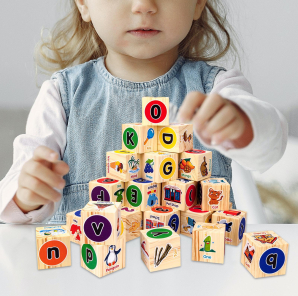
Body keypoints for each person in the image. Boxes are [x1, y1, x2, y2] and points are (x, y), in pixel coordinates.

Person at [0, 0, 287, 224]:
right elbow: (12, 199)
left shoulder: (218, 89)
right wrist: (27, 196)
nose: (144, 6)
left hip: (196, 279)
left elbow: (271, 146)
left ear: (198, 3)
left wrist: (243, 125)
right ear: (84, 4)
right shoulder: (61, 96)